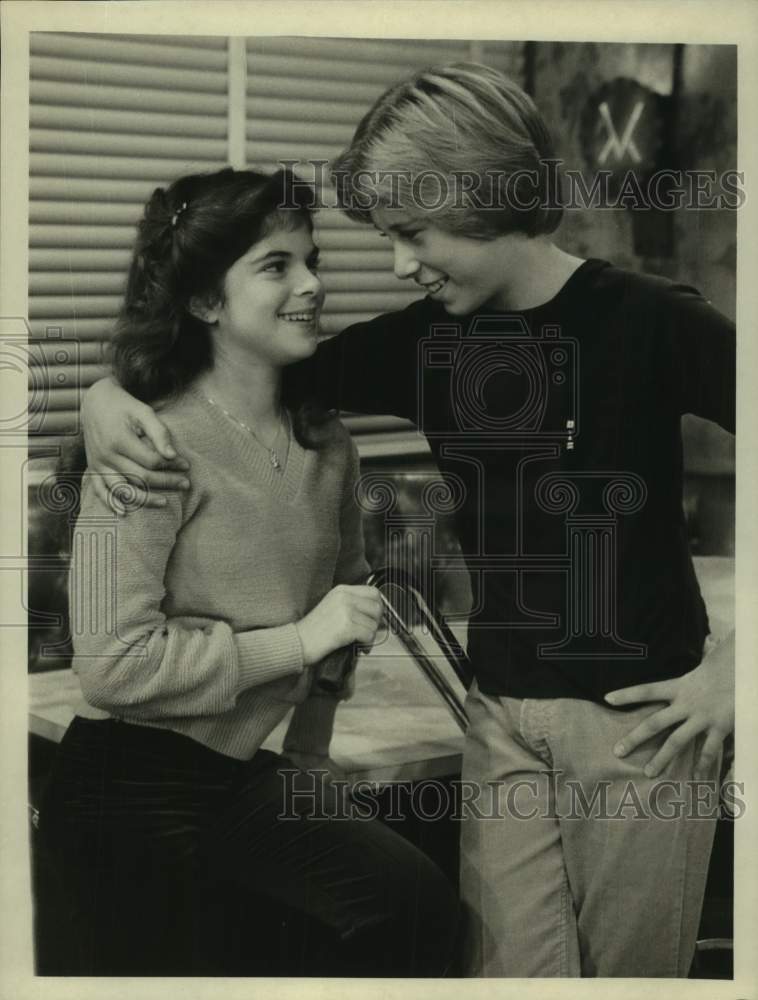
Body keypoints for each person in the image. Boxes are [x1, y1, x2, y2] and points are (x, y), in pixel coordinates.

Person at [79, 65, 736, 978]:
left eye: (411, 233)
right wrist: (103, 398)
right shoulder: (426, 343)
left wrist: (738, 669)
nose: (397, 264)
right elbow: (216, 363)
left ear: (480, 195)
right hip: (499, 718)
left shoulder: (652, 321)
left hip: (639, 728)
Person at [37, 166, 459, 977]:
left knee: (416, 908)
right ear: (204, 302)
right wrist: (296, 641)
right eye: (276, 266)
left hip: (238, 782)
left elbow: (349, 606)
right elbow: (108, 666)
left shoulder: (329, 443)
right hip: (120, 794)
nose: (311, 286)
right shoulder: (137, 445)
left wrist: (309, 756)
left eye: (312, 261)